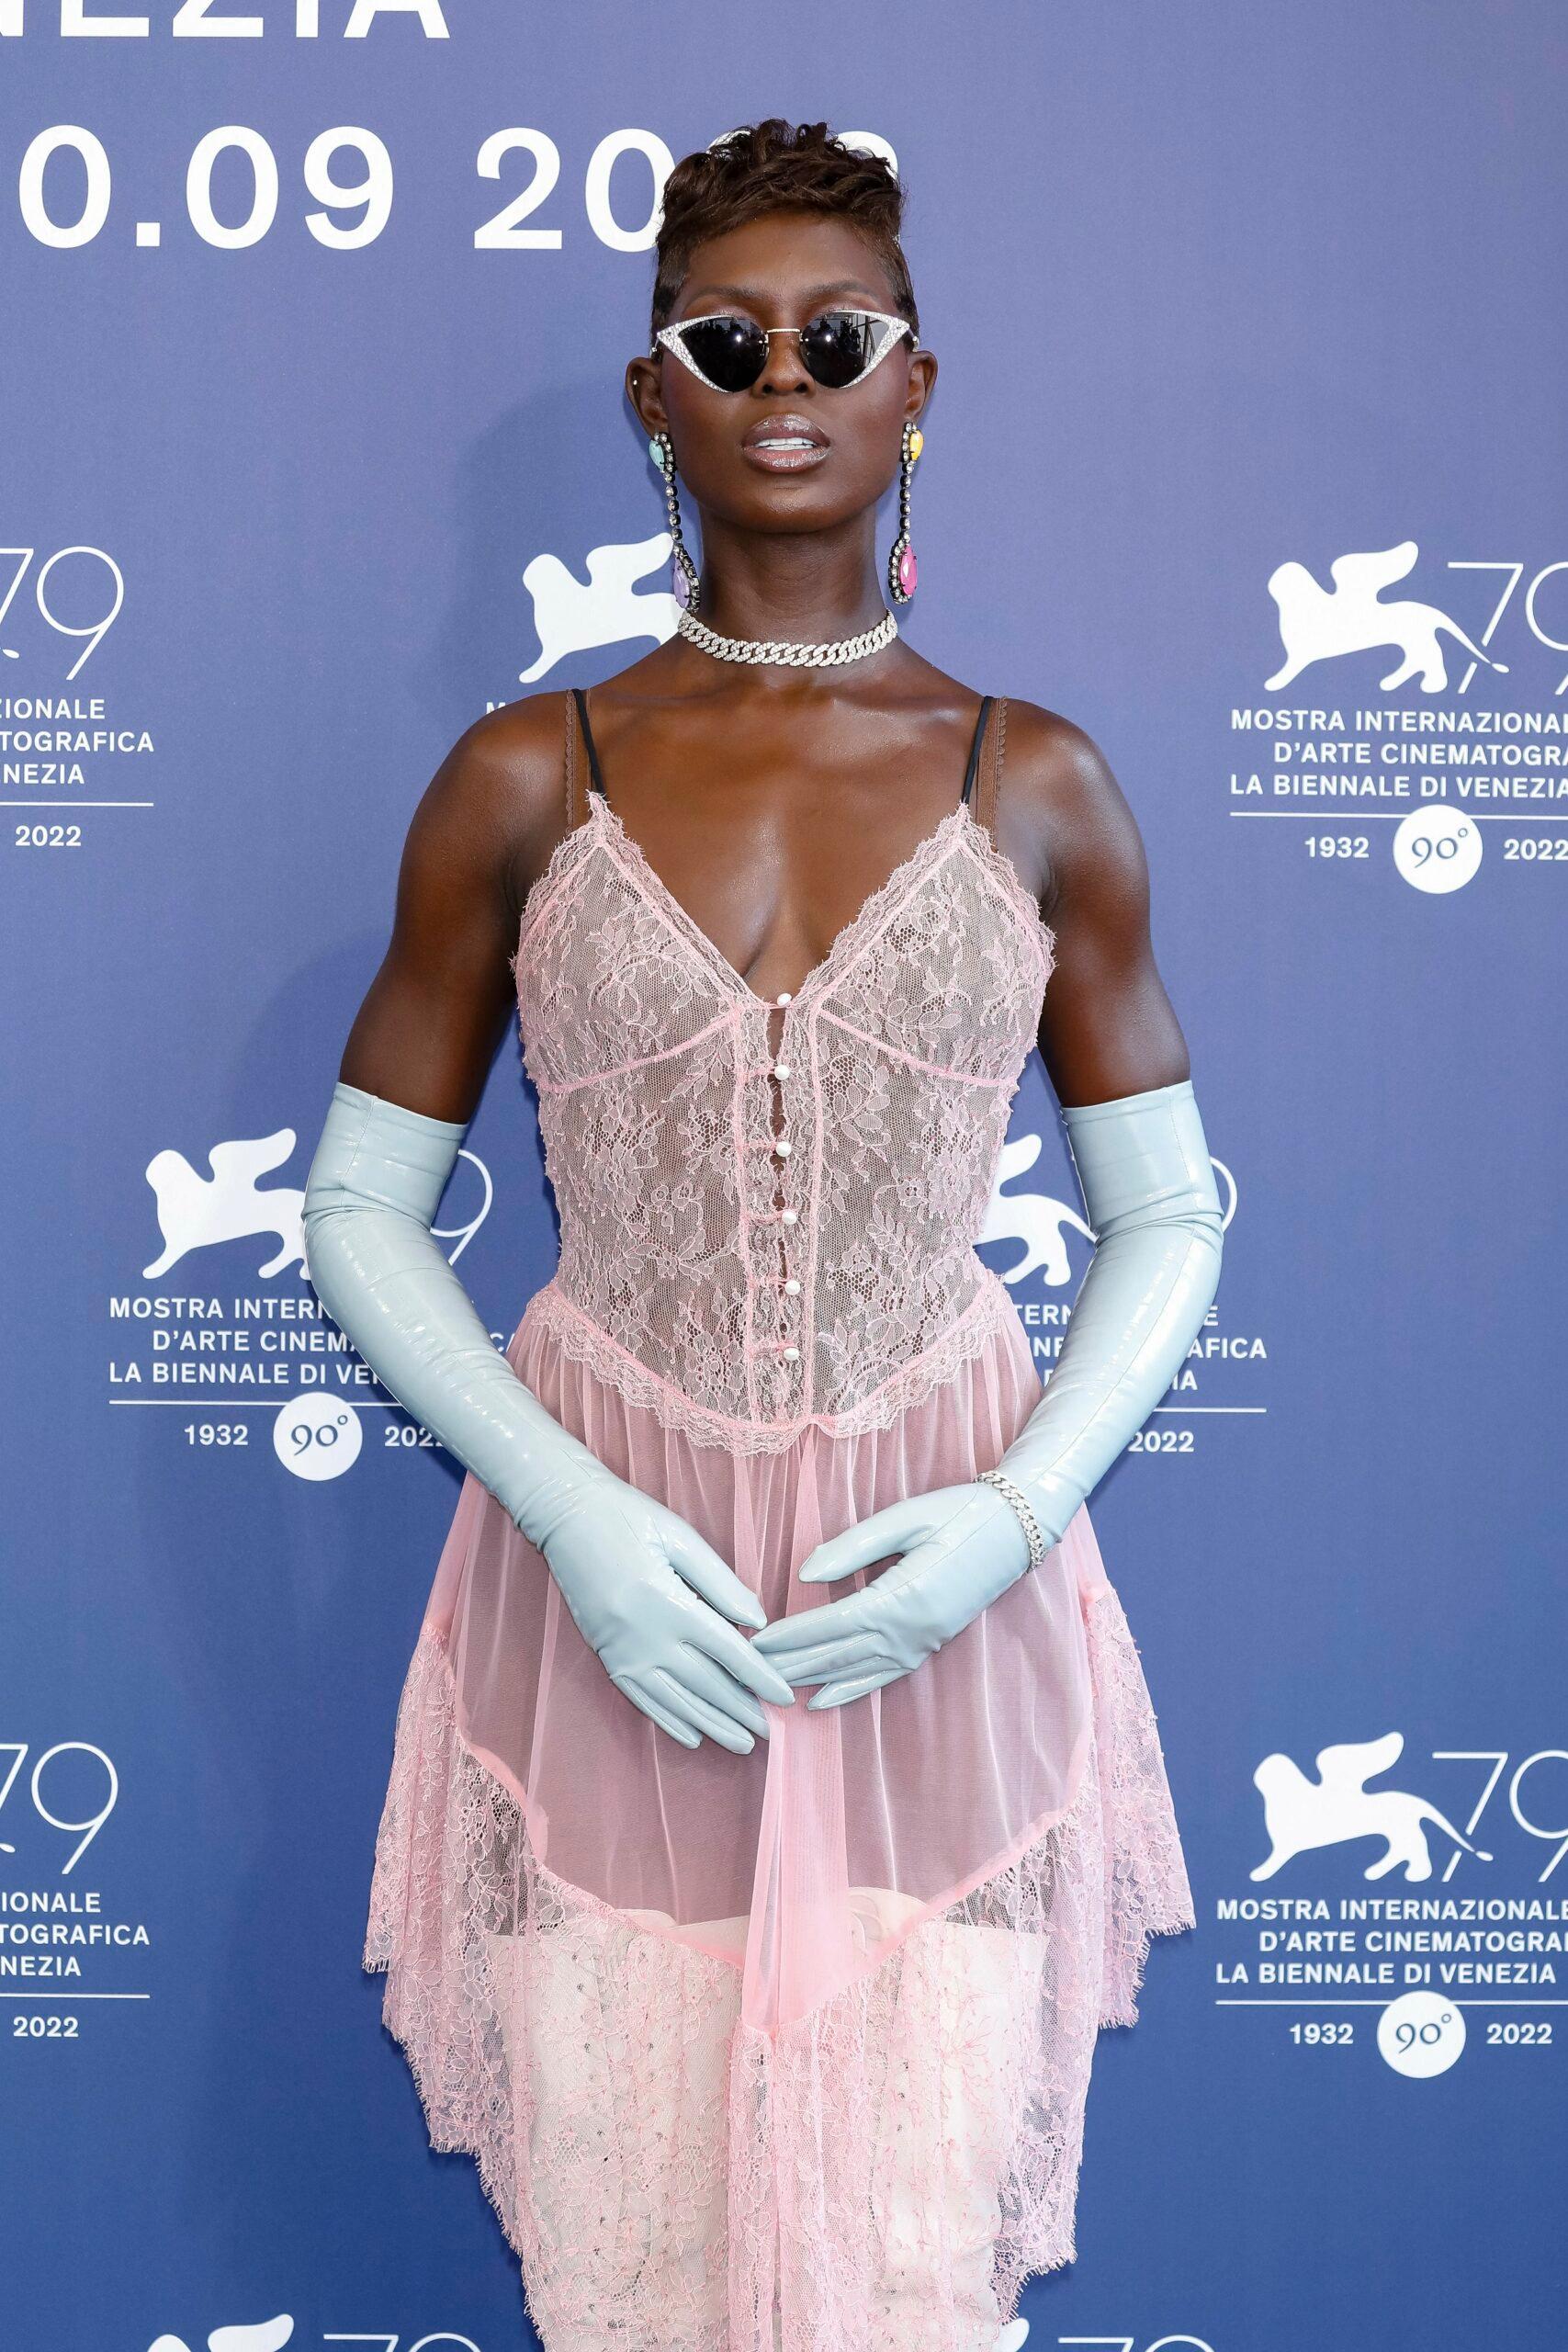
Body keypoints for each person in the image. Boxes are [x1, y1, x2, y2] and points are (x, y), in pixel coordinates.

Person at [301, 119, 1224, 2352]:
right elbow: (355, 1203)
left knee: (911, 2276)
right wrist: (577, 1521)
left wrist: (1009, 1518)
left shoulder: (1040, 778)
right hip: (604, 1617)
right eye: (721, 340)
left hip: (934, 1621)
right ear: (652, 395)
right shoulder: (528, 773)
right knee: (627, 2280)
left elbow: (1169, 1209)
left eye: (837, 336)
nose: (780, 377)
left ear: (919, 384)